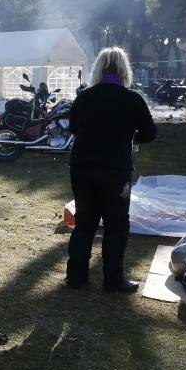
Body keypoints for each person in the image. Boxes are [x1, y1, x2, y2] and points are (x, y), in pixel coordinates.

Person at [66, 47, 157, 292]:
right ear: (124, 69)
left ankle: (75, 277)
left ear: (98, 68)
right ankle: (113, 280)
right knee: (116, 225)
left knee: (84, 222)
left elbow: (73, 126)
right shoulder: (132, 99)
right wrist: (130, 136)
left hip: (82, 167)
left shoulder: (84, 97)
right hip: (115, 170)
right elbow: (150, 133)